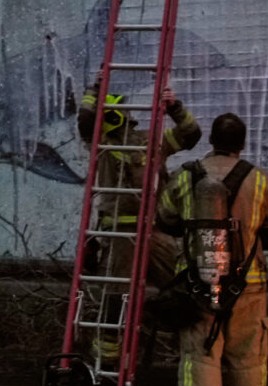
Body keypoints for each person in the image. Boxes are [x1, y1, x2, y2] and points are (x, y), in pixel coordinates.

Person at [154, 110, 268, 386]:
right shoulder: (263, 180)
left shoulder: (185, 176)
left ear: (211, 141)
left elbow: (165, 220)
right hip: (248, 287)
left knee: (201, 359)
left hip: (198, 286)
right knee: (249, 363)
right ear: (242, 143)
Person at [73, 87, 200, 368]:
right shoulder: (102, 144)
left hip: (153, 233)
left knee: (183, 286)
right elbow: (84, 120)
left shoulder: (150, 142)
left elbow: (191, 134)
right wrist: (96, 88)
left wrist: (173, 106)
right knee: (117, 296)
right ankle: (107, 362)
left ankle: (194, 350)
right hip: (120, 237)